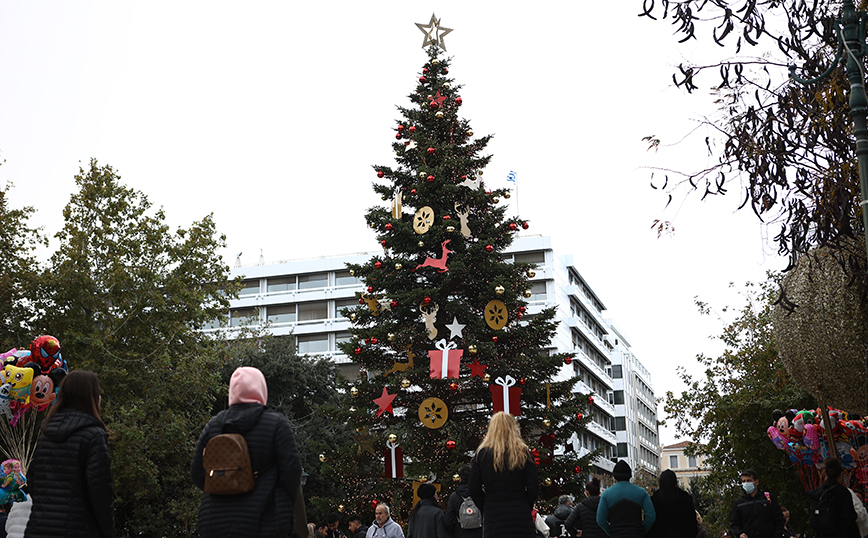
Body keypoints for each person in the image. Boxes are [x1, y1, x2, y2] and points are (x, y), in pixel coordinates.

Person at [191, 366, 303, 538]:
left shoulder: (214, 425)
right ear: (261, 389)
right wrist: (282, 502)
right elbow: (292, 472)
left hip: (214, 521)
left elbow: (197, 472)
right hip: (264, 520)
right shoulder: (276, 424)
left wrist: (221, 485)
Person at [24, 370, 114, 538]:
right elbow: (100, 491)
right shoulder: (93, 434)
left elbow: (33, 478)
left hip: (38, 528)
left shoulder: (46, 430)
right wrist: (106, 531)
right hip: (77, 529)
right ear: (91, 397)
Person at [469, 412, 540, 538]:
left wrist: (486, 505)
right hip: (520, 513)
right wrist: (524, 504)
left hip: (494, 514)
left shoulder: (482, 454)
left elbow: (474, 487)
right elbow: (533, 486)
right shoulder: (523, 452)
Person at [596, 460, 656, 538]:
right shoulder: (641, 492)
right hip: (636, 533)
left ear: (614, 475)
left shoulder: (606, 494)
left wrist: (611, 532)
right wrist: (642, 531)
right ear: (630, 475)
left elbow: (600, 520)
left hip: (616, 533)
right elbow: (651, 517)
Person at [808, 457, 858, 538]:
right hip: (841, 533)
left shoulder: (819, 492)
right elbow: (849, 516)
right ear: (841, 474)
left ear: (826, 474)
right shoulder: (842, 491)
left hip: (823, 534)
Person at [730, 469, 785, 538]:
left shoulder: (768, 498)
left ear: (756, 482)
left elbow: (779, 520)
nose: (746, 483)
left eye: (749, 480)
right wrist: (740, 533)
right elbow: (735, 524)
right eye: (743, 481)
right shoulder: (739, 503)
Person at [647, 469, 696, 538]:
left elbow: (650, 520)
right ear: (675, 481)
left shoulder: (654, 499)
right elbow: (692, 521)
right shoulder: (685, 498)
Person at [445, 465, 483, 538]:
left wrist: (455, 531)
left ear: (460, 478)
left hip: (461, 533)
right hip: (479, 533)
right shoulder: (481, 493)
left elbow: (448, 521)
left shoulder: (454, 496)